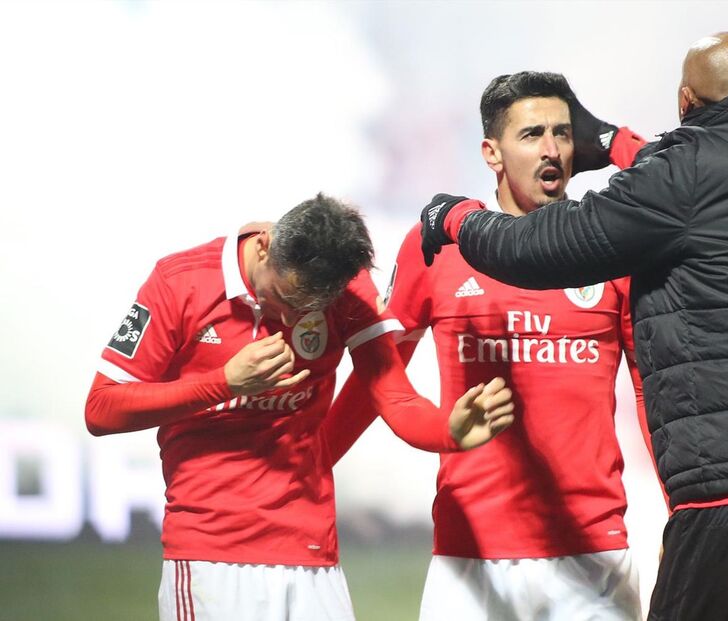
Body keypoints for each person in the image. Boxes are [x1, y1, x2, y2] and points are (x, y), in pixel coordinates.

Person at [419, 33, 728, 621]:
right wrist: (614, 143)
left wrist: (455, 217)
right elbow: (701, 176)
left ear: (686, 101)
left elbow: (544, 247)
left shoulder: (685, 176)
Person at [85, 193, 515, 621]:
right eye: (286, 300)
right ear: (263, 246)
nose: (293, 321)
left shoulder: (346, 289)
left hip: (311, 552)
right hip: (210, 556)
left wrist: (449, 430)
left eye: (309, 309)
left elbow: (394, 396)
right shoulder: (180, 281)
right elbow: (102, 409)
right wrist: (224, 383)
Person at [324, 72, 650, 621]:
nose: (551, 150)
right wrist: (312, 463)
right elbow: (380, 374)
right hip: (469, 554)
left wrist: (685, 508)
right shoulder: (438, 244)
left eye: (563, 134)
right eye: (531, 135)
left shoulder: (609, 243)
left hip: (594, 554)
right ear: (491, 153)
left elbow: (652, 393)